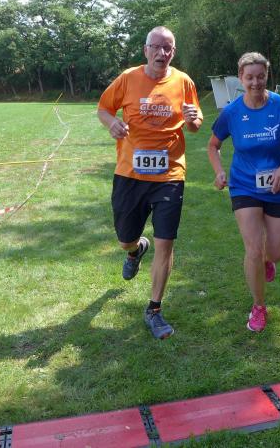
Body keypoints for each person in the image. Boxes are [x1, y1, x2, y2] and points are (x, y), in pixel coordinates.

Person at [97, 26, 203, 339]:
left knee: (165, 241)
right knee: (125, 238)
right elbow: (103, 109)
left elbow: (195, 124)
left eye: (167, 48)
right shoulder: (128, 78)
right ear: (146, 50)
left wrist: (194, 119)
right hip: (130, 174)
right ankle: (135, 250)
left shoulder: (183, 82)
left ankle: (154, 309)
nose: (161, 53)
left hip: (169, 175)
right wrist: (112, 123)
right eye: (156, 47)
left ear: (174, 51)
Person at [207, 52, 280, 332]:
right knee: (252, 249)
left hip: (277, 187)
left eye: (260, 76)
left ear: (267, 76)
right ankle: (259, 306)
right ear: (240, 78)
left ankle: (267, 261)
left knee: (275, 253)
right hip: (244, 186)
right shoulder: (232, 112)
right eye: (249, 77)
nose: (255, 82)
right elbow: (213, 145)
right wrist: (219, 172)